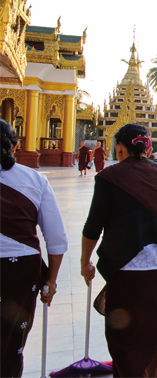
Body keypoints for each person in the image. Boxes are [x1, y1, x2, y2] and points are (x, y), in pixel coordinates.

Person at [81, 124, 157, 377]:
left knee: (124, 334)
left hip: (129, 269)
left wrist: (85, 262)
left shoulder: (109, 177)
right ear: (147, 147)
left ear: (119, 147)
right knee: (154, 333)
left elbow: (92, 227)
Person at [0, 119, 67, 378]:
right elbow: (56, 238)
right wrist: (50, 280)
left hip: (21, 267)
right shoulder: (34, 179)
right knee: (10, 341)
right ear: (15, 146)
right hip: (21, 270)